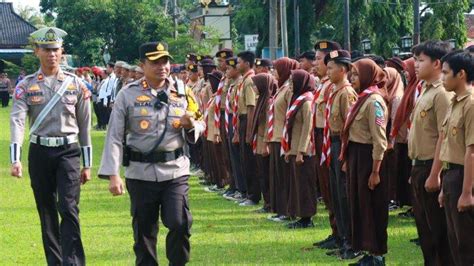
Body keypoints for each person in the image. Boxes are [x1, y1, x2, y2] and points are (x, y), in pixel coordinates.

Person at [98, 41, 204, 266]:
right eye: (155, 62)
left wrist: (190, 124)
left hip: (175, 171)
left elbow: (200, 121)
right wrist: (113, 174)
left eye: (164, 61)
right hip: (140, 173)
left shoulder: (183, 91)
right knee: (144, 232)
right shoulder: (127, 95)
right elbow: (115, 136)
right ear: (142, 65)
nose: (162, 66)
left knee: (179, 223)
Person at [10, 26, 92, 265]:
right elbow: (17, 120)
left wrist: (87, 165)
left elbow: (85, 126)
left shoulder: (76, 85)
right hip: (40, 152)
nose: (51, 54)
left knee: (68, 208)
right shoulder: (25, 86)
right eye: (46, 49)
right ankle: (55, 262)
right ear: (37, 51)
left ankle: (73, 261)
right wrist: (15, 158)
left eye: (55, 49)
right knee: (46, 211)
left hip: (68, 152)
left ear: (62, 51)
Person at [408, 40, 454, 265]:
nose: (415, 65)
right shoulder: (425, 90)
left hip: (432, 167)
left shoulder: (442, 93)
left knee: (438, 232)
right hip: (419, 165)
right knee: (425, 232)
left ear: (437, 63)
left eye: (420, 60)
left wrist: (435, 173)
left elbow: (443, 137)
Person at [342, 58, 389, 265]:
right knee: (360, 205)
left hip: (369, 158)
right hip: (357, 156)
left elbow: (380, 140)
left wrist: (375, 171)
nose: (352, 79)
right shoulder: (362, 99)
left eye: (356, 74)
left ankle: (377, 254)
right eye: (351, 74)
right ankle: (367, 251)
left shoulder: (374, 101)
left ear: (368, 76)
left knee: (372, 206)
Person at [438, 50, 474, 266]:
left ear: (461, 74)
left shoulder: (470, 104)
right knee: (455, 241)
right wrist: (444, 187)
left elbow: (471, 151)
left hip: (464, 176)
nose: (442, 78)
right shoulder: (455, 102)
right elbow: (448, 146)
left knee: (467, 244)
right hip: (451, 175)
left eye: (445, 73)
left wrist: (467, 192)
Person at [323, 50, 359, 259]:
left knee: (344, 195)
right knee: (336, 194)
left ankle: (350, 241)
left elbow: (348, 127)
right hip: (333, 143)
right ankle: (343, 237)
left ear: (343, 69)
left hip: (341, 145)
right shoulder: (335, 91)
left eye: (331, 67)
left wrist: (344, 154)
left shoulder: (346, 93)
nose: (327, 71)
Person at [312, 40, 342, 249]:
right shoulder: (323, 84)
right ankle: (335, 231)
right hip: (320, 135)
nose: (315, 63)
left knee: (334, 189)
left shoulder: (334, 86)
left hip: (330, 136)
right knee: (326, 187)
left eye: (318, 59)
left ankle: (341, 232)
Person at [283, 69, 317, 229]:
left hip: (305, 152)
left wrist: (301, 151)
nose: (290, 85)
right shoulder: (298, 98)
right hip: (295, 149)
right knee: (298, 184)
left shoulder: (307, 101)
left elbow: (307, 128)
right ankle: (301, 215)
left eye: (292, 82)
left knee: (305, 185)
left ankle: (307, 218)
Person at [267, 57, 299, 222]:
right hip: (275, 136)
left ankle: (288, 211)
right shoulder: (281, 88)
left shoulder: (288, 89)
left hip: (282, 137)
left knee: (285, 177)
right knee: (277, 176)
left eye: (276, 69)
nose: (273, 72)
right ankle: (280, 209)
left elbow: (290, 116)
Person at [391, 57, 419, 216]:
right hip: (406, 140)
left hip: (411, 140)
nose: (406, 73)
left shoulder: (416, 89)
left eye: (407, 70)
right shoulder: (411, 88)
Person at [250, 73, 277, 213]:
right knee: (262, 173)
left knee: (266, 175)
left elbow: (268, 124)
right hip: (259, 141)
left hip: (264, 142)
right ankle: (267, 202)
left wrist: (266, 143)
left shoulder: (268, 101)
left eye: (255, 85)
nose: (254, 88)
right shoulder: (261, 99)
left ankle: (270, 203)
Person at [236, 51, 259, 206]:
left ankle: (253, 195)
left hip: (247, 120)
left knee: (250, 161)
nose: (237, 65)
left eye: (239, 62)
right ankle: (248, 193)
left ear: (247, 63)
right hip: (242, 120)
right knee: (244, 160)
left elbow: (251, 107)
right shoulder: (244, 80)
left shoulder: (250, 80)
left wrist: (250, 131)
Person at [223, 57, 246, 202]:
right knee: (233, 157)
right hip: (231, 119)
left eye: (229, 68)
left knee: (239, 158)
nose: (226, 71)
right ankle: (237, 186)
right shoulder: (232, 84)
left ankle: (242, 188)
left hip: (239, 120)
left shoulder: (241, 83)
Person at [204, 70, 230, 191]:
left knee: (221, 160)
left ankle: (223, 181)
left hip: (216, 131)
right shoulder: (215, 97)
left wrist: (217, 133)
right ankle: (218, 180)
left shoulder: (219, 99)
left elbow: (219, 115)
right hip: (210, 131)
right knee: (216, 159)